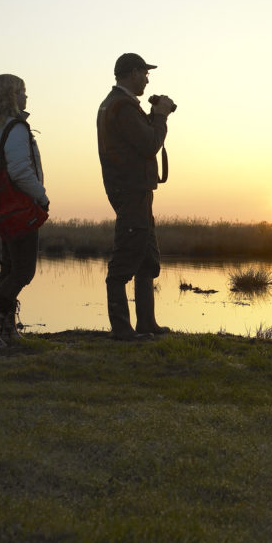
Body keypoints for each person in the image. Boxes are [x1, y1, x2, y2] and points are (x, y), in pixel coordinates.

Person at [97, 52, 176, 341]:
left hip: (132, 190)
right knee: (125, 260)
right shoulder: (123, 106)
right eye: (144, 73)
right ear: (132, 73)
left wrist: (153, 115)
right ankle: (122, 330)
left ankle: (146, 323)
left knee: (146, 257)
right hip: (131, 190)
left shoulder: (116, 105)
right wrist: (160, 117)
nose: (147, 78)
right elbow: (149, 144)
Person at [0, 74, 48, 348]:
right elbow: (20, 170)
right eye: (22, 91)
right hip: (20, 207)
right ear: (11, 95)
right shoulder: (16, 127)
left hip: (3, 207)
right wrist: (41, 196)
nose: (26, 97)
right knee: (22, 271)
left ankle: (6, 328)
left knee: (10, 267)